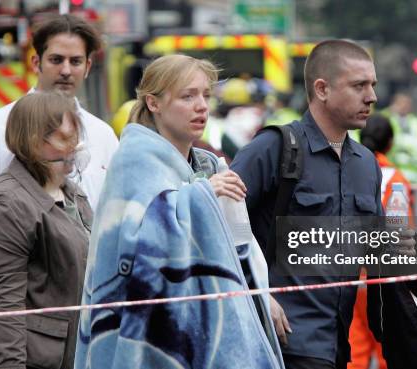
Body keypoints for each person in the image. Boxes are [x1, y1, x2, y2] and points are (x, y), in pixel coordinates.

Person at [231, 39, 417, 369]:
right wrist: (256, 295)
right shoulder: (274, 148)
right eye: (359, 86)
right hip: (280, 345)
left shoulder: (365, 164)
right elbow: (220, 227)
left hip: (338, 346)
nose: (371, 96)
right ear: (322, 89)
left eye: (372, 85)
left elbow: (381, 244)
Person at [75, 54, 281, 369]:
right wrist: (202, 196)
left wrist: (260, 294)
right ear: (153, 103)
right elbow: (134, 250)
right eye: (188, 96)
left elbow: (237, 247)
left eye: (206, 95)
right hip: (150, 333)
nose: (202, 106)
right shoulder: (133, 163)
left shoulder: (208, 165)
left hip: (202, 329)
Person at [0, 14, 119, 349]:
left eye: (75, 61)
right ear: (36, 61)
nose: (66, 69)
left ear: (89, 66)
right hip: (21, 305)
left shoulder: (103, 135)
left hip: (91, 307)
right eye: (56, 59)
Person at [0, 91, 91, 369]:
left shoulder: (72, 194)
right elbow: (2, 312)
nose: (76, 147)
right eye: (65, 138)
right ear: (32, 141)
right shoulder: (4, 207)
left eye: (76, 136)